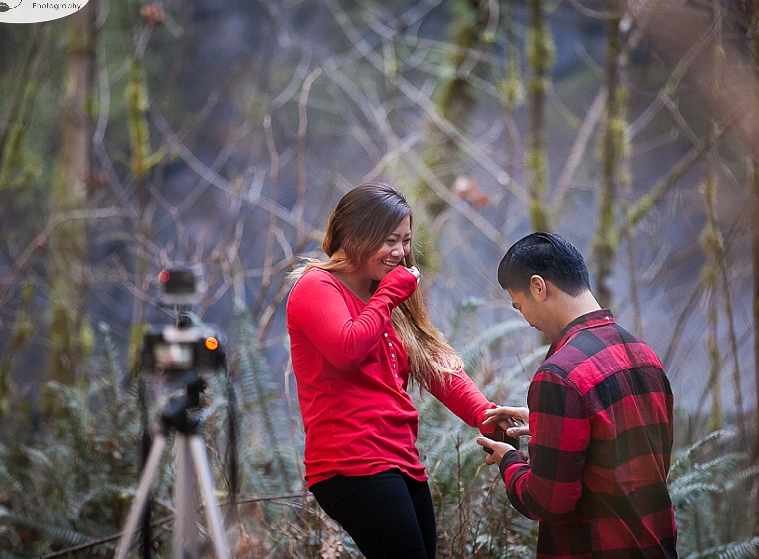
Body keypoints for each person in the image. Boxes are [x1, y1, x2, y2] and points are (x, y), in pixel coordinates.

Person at [286, 183, 508, 559]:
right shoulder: (316, 286)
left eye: (405, 241)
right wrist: (389, 295)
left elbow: (435, 365)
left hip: (399, 458)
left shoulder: (383, 294)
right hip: (351, 463)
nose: (401, 252)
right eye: (390, 240)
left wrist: (485, 415)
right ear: (355, 236)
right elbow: (347, 349)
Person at [477, 232, 677, 558]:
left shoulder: (559, 375)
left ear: (539, 287)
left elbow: (548, 500)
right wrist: (544, 424)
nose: (526, 320)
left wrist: (507, 459)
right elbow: (641, 460)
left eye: (520, 305)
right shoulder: (644, 354)